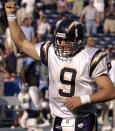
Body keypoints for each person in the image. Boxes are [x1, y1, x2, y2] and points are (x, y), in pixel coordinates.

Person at [5, 2, 115, 131]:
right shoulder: (51, 52)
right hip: (58, 119)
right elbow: (22, 44)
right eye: (59, 40)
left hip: (84, 119)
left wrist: (83, 99)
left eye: (67, 40)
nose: (62, 44)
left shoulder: (90, 57)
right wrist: (11, 16)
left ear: (78, 40)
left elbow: (110, 91)